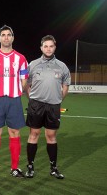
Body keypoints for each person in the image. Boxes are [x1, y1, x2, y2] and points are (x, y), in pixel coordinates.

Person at [0, 25, 29, 178]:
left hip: (14, 101)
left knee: (14, 132)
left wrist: (17, 92)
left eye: (9, 35)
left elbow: (24, 80)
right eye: (3, 35)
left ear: (13, 37)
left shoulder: (21, 58)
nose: (6, 37)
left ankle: (15, 168)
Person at [25, 35, 71, 179]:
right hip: (36, 105)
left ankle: (53, 167)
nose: (48, 49)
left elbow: (65, 86)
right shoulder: (33, 64)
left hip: (53, 106)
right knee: (34, 135)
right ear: (41, 48)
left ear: (55, 47)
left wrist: (57, 99)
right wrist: (31, 98)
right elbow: (26, 84)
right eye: (46, 46)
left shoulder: (62, 66)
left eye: (51, 46)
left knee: (51, 136)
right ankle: (30, 167)